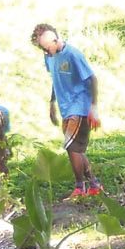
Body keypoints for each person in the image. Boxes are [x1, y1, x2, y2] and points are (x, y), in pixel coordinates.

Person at [31, 24, 100, 198]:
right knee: (76, 148)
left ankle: (80, 188)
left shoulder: (73, 54)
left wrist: (94, 107)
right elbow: (56, 80)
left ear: (55, 40)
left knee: (71, 146)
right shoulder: (49, 57)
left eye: (46, 48)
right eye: (42, 49)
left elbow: (92, 79)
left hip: (80, 106)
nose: (45, 52)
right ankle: (94, 185)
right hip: (65, 108)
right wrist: (52, 103)